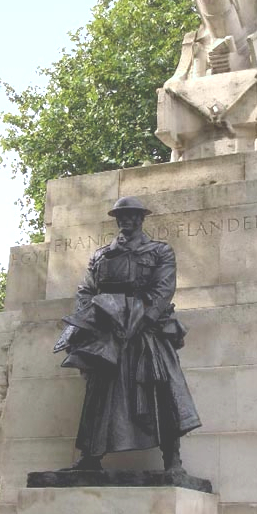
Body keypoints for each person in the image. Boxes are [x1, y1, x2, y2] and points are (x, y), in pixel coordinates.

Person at [54, 196, 201, 471]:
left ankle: (173, 459)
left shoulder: (160, 251)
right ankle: (91, 457)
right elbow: (86, 291)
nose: (127, 220)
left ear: (141, 218)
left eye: (132, 215)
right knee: (99, 395)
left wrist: (137, 320)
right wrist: (93, 320)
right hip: (107, 332)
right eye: (122, 216)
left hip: (146, 331)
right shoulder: (100, 256)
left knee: (164, 391)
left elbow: (163, 290)